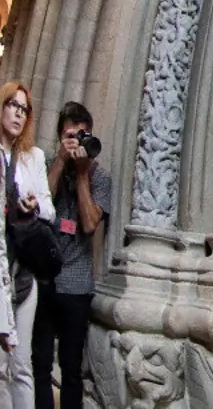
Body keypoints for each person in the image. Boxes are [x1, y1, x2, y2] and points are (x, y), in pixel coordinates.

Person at [33, 102, 111, 409]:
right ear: (59, 136)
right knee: (39, 363)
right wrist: (60, 163)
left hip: (77, 285)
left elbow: (90, 224)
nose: (78, 141)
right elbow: (39, 209)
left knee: (71, 370)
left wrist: (81, 175)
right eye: (71, 135)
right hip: (42, 279)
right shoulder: (48, 164)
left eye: (83, 134)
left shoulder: (99, 177)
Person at [0, 82, 54, 409]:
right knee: (0, 365)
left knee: (21, 365)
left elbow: (50, 210)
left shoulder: (33, 157)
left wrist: (33, 206)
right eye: (13, 105)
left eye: (24, 109)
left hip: (24, 271)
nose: (18, 113)